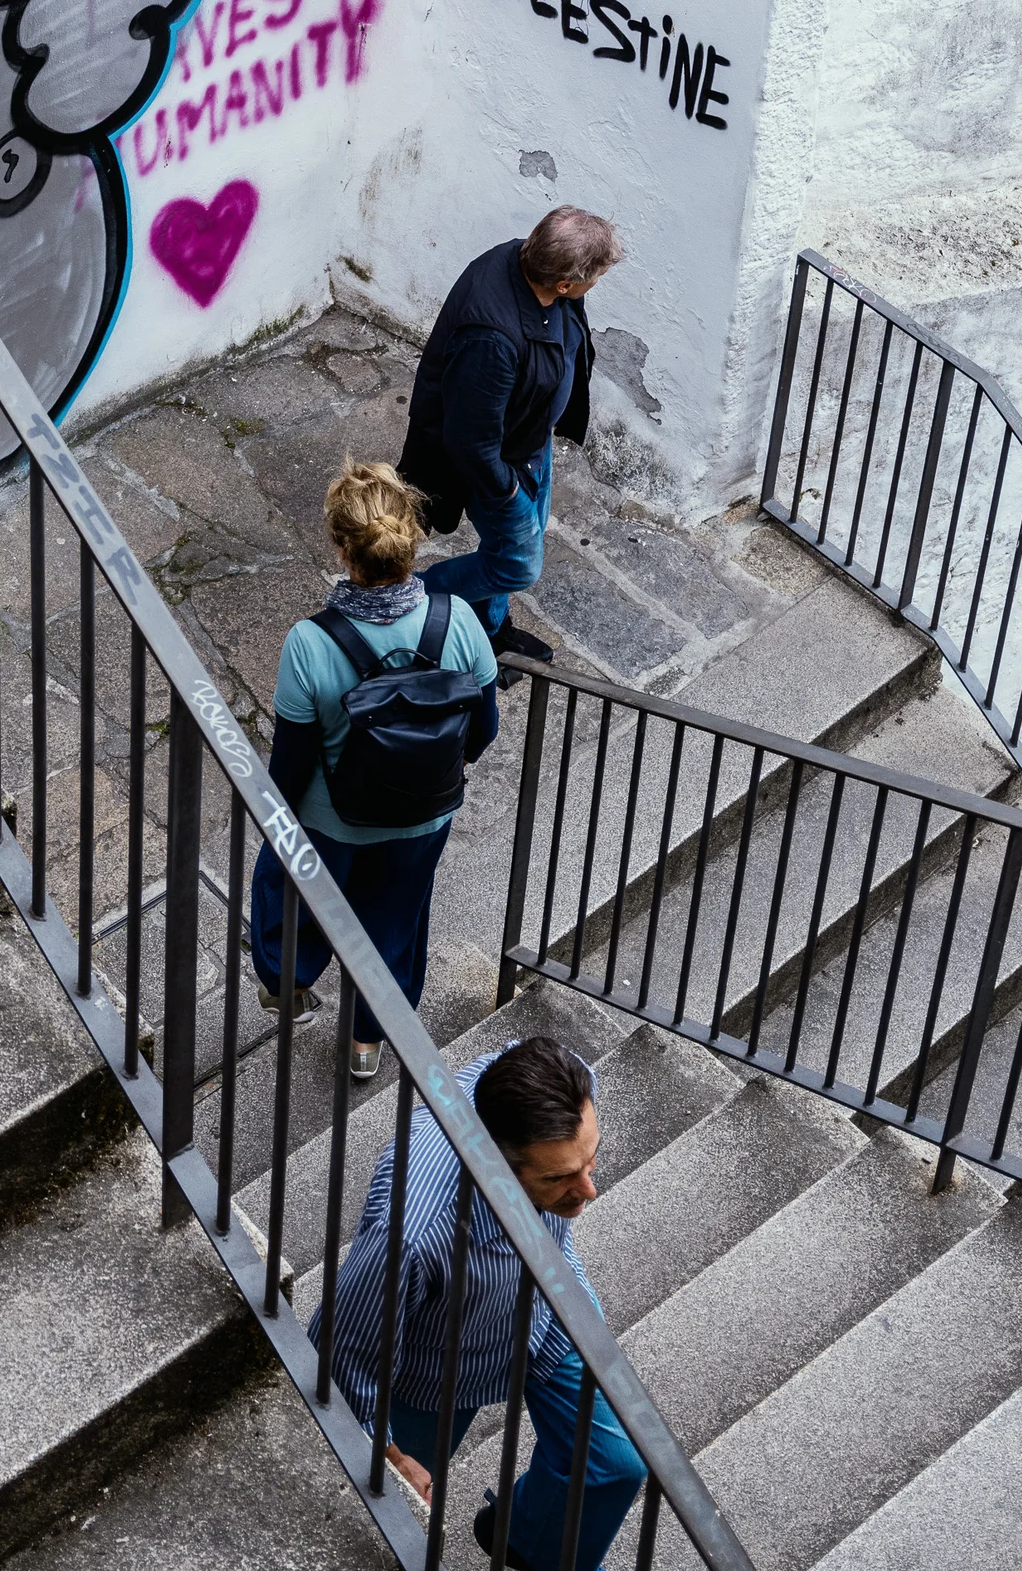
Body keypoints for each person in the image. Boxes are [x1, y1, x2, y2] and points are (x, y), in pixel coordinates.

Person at [326, 1033, 648, 1568]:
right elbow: (344, 1354)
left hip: (545, 1314)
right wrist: (387, 1453)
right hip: (436, 1378)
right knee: (381, 1518)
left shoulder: (551, 1083)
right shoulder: (412, 1232)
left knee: (616, 1463)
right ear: (498, 1163)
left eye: (589, 1161)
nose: (590, 1191)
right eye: (561, 1177)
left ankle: (525, 1539)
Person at [249, 459, 503, 1085]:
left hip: (332, 822)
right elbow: (486, 728)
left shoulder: (310, 644)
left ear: (341, 548)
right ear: (414, 540)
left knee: (291, 893)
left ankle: (287, 983)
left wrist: (275, 818)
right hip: (424, 817)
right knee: (395, 923)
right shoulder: (460, 620)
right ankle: (367, 1044)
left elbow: (291, 762)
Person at [401, 207, 617, 665]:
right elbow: (470, 441)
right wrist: (510, 489)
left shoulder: (535, 265)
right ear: (564, 284)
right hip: (501, 465)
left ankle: (490, 630)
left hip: (529, 441)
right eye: (593, 278)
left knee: (504, 551)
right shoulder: (491, 337)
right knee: (517, 563)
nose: (594, 285)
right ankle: (417, 599)